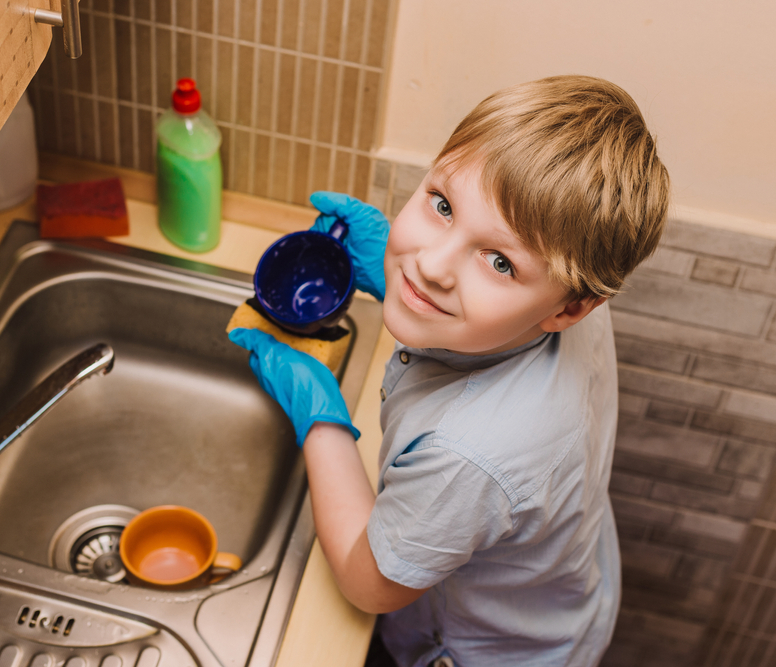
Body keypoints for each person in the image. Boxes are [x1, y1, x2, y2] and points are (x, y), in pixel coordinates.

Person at [229, 75, 670, 666]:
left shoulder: (470, 455)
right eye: (442, 205)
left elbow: (370, 584)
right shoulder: (569, 283)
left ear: (569, 308)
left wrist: (322, 417)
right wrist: (403, 278)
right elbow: (492, 300)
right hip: (566, 598)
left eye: (498, 262)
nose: (431, 265)